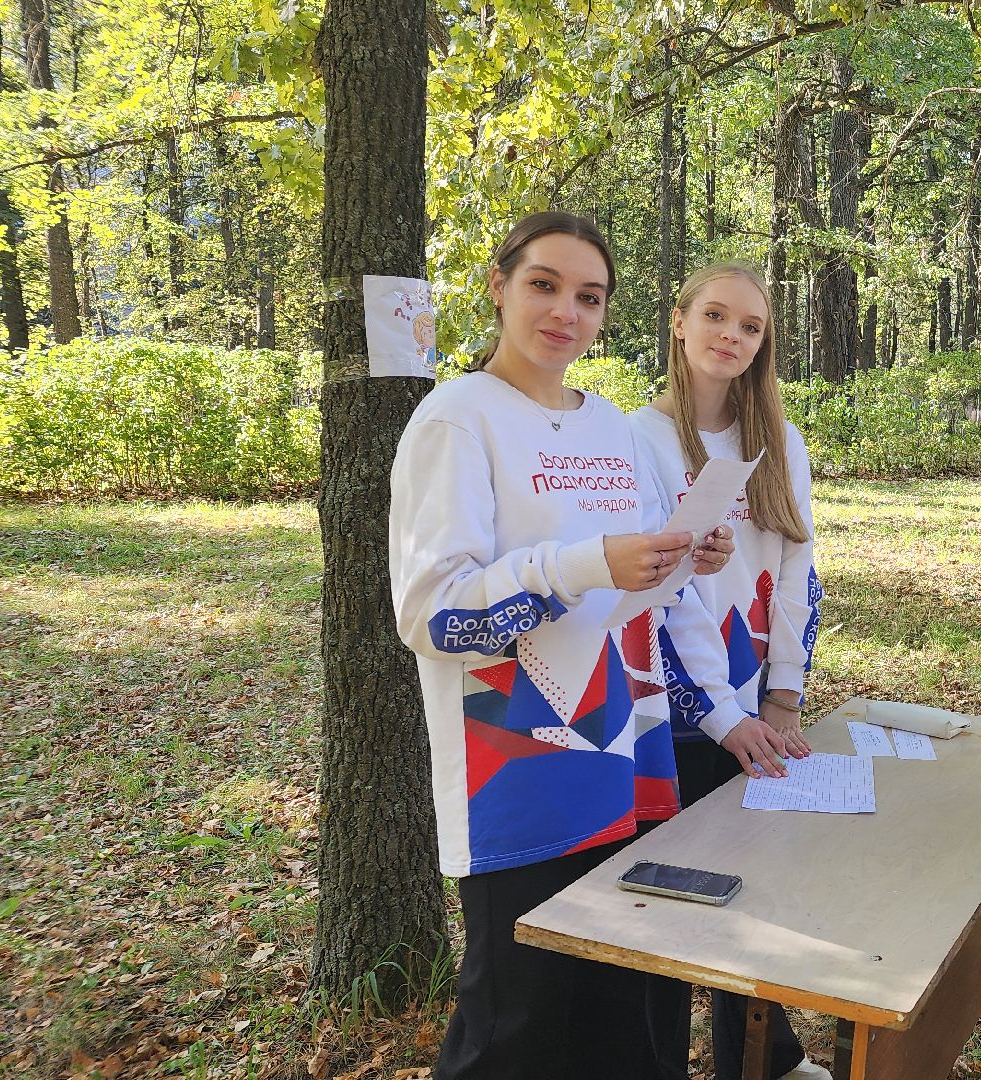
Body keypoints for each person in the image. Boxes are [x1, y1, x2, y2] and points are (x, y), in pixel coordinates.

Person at [388, 211, 748, 1079]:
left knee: (621, 1013)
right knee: (516, 1025)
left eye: (589, 297)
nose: (566, 313)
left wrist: (675, 561)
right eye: (544, 285)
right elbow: (434, 617)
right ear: (497, 286)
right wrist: (588, 560)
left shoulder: (611, 427)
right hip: (515, 766)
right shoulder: (456, 420)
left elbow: (622, 597)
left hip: (626, 755)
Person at [631, 263, 830, 1080]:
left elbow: (797, 570)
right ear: (678, 322)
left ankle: (763, 1060)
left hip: (757, 697)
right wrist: (720, 716)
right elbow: (659, 603)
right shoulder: (636, 438)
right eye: (715, 316)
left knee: (753, 879)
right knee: (675, 894)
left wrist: (783, 694)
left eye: (750, 327)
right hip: (673, 711)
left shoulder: (777, 440)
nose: (731, 337)